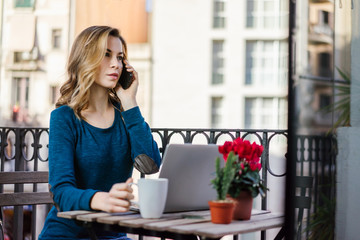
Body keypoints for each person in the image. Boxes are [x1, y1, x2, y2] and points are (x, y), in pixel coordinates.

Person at [38, 26, 161, 240]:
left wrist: (130, 103)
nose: (116, 64)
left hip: (113, 235)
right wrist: (100, 199)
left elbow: (151, 165)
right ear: (86, 59)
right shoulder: (64, 118)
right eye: (106, 55)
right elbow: (61, 191)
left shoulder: (126, 117)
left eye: (120, 57)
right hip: (66, 235)